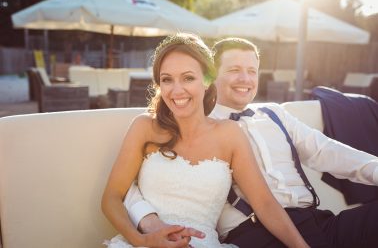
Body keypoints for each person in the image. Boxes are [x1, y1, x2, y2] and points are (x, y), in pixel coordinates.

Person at [125, 37, 378, 248]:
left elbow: (326, 150)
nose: (245, 79)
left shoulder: (274, 113)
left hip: (318, 222)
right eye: (234, 70)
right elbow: (145, 178)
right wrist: (147, 220)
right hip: (252, 233)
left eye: (252, 71)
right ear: (210, 77)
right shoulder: (194, 120)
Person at [101, 33, 309, 248]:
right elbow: (111, 198)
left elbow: (265, 204)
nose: (177, 90)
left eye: (188, 78)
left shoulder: (229, 134)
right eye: (167, 79)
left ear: (208, 81)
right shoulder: (144, 127)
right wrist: (142, 240)